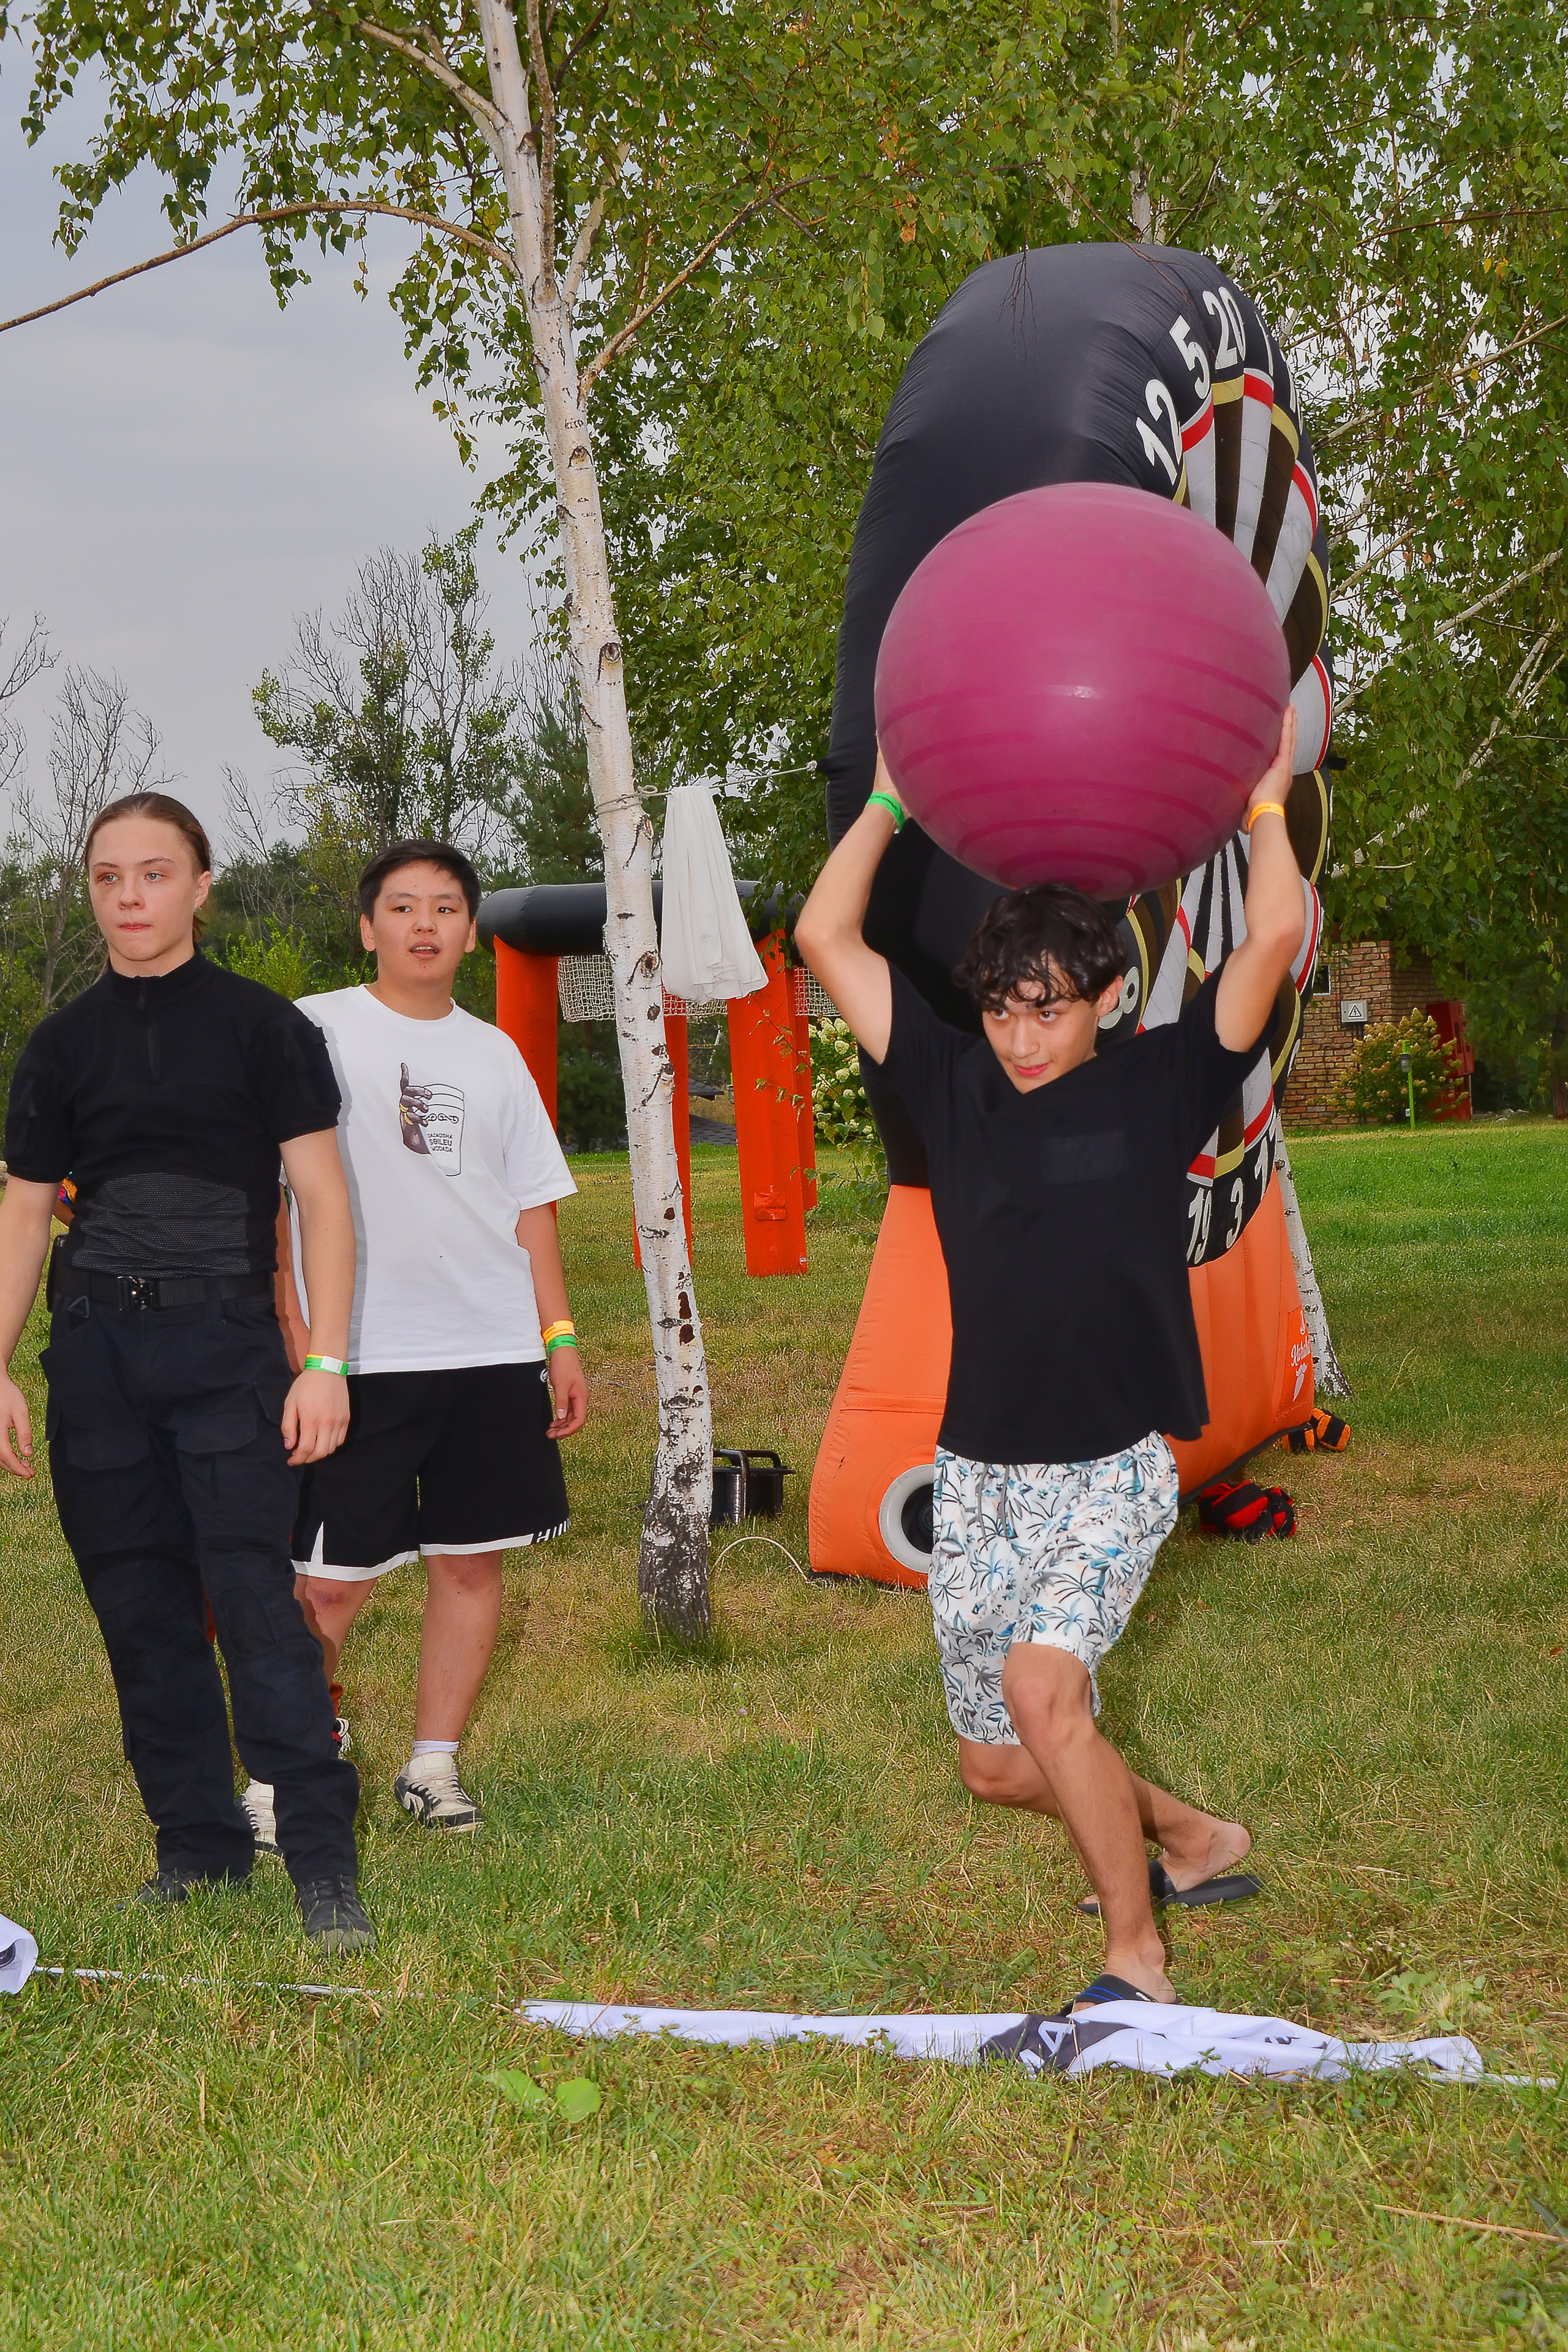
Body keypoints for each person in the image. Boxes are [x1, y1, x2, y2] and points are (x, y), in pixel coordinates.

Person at [795, 708, 1305, 2014]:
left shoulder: (1160, 1083)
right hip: (975, 1474)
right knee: (1003, 1760)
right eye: (1002, 1009)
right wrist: (890, 803)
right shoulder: (950, 1085)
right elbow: (823, 939)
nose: (1021, 1038)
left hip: (1109, 1468)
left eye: (1047, 1011)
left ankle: (1134, 1956)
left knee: (1043, 1690)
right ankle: (1193, 1839)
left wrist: (1259, 807)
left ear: (1102, 1002)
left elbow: (1272, 941)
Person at [0, 792, 372, 1951]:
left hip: (228, 1355)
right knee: (141, 1614)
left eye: (153, 874)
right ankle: (198, 1852)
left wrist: (324, 1361)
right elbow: (21, 1217)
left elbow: (323, 1203)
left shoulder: (268, 1031)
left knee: (258, 1608)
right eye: (109, 877)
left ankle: (321, 1865)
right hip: (100, 1358)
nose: (129, 898)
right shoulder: (60, 1047)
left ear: (201, 886)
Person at [241, 840, 587, 1852]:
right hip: (359, 1356)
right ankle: (284, 1769)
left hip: (486, 1350)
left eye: (445, 907)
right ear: (369, 927)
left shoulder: (495, 1054)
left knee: (470, 1566)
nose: (425, 924)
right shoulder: (316, 1029)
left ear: (470, 933)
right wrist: (298, 1330)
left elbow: (532, 1208)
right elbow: (271, 1198)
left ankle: (432, 1763)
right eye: (403, 906)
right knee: (329, 1581)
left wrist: (557, 1337)